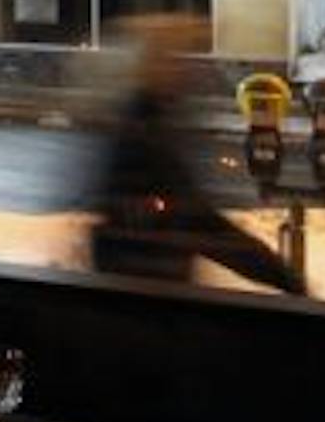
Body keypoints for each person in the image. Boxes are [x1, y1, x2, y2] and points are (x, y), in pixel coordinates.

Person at [90, 15, 305, 294]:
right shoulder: (146, 131)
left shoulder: (149, 119)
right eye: (177, 59)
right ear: (154, 65)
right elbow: (199, 223)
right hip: (148, 290)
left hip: (141, 286)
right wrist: (282, 276)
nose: (189, 70)